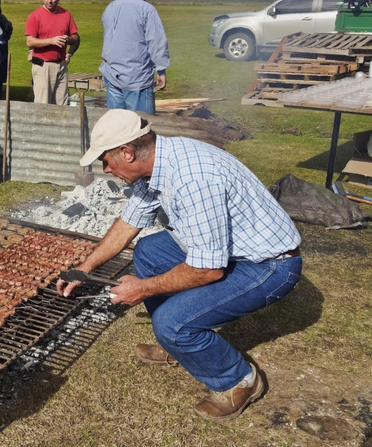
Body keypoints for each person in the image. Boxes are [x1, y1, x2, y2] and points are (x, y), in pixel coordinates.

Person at [56, 109, 302, 421]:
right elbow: (129, 222)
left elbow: (208, 270)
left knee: (172, 323)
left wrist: (143, 289)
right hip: (231, 251)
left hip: (270, 266)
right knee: (148, 250)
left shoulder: (192, 179)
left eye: (106, 160)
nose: (105, 169)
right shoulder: (159, 162)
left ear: (127, 152)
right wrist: (87, 267)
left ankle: (239, 380)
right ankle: (178, 345)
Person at [100, 0, 170, 114]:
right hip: (137, 78)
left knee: (117, 126)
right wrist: (161, 71)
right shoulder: (147, 9)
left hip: (112, 75)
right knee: (141, 127)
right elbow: (156, 42)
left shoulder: (111, 7)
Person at [25, 0, 80, 105]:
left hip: (61, 64)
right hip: (43, 66)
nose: (50, 1)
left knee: (62, 104)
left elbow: (75, 37)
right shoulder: (35, 16)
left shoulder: (66, 14)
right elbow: (30, 41)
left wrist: (68, 39)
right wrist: (51, 40)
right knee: (43, 104)